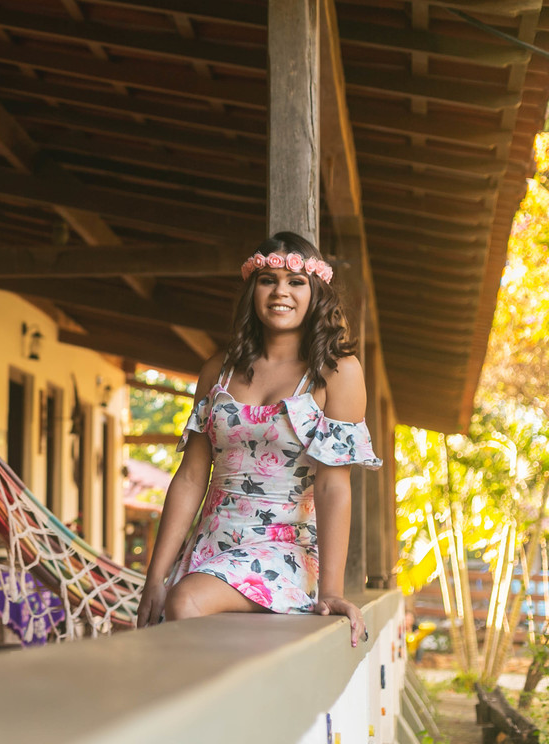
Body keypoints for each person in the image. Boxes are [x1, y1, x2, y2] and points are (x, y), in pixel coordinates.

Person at [136, 232, 381, 647]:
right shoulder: (218, 370)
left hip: (283, 549)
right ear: (253, 290)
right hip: (208, 549)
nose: (280, 292)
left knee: (186, 602)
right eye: (268, 280)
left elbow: (333, 485)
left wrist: (332, 592)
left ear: (315, 292)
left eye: (295, 282)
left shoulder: (337, 372)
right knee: (170, 616)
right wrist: (155, 577)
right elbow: (191, 478)